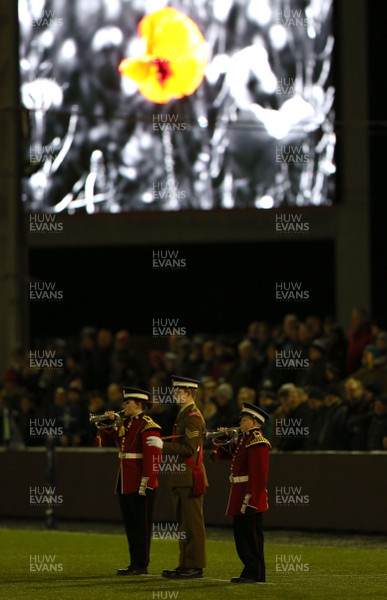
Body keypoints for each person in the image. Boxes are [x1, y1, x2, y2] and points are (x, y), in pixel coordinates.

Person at [94, 386, 161, 575]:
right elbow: (104, 441)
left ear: (138, 404)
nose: (123, 405)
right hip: (125, 480)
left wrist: (146, 482)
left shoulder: (148, 425)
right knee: (131, 525)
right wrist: (107, 423)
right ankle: (135, 562)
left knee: (141, 525)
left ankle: (141, 564)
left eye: (127, 402)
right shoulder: (126, 423)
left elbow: (153, 458)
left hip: (140, 482)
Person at [147, 375, 207, 579]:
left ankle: (194, 565)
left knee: (192, 524)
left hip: (189, 475)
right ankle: (185, 563)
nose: (173, 394)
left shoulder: (192, 416)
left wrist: (163, 445)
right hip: (182, 476)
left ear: (189, 393)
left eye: (177, 391)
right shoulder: (185, 414)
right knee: (184, 524)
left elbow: (189, 449)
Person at [211, 402, 270, 584]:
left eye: (244, 420)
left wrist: (252, 500)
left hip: (249, 496)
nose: (241, 423)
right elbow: (228, 455)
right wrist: (222, 438)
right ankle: (249, 569)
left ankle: (256, 572)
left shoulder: (257, 442)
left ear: (254, 422)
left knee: (251, 536)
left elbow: (259, 476)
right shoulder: (244, 440)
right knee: (241, 537)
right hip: (239, 494)